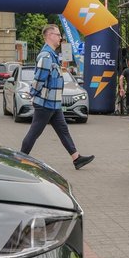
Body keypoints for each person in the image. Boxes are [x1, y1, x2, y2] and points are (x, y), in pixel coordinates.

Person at [20, 24, 94, 170]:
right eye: (58, 35)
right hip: (45, 103)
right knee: (34, 132)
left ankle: (77, 158)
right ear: (49, 36)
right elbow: (39, 78)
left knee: (63, 130)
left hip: (54, 103)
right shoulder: (46, 56)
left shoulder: (53, 56)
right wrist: (33, 95)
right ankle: (20, 159)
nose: (60, 38)